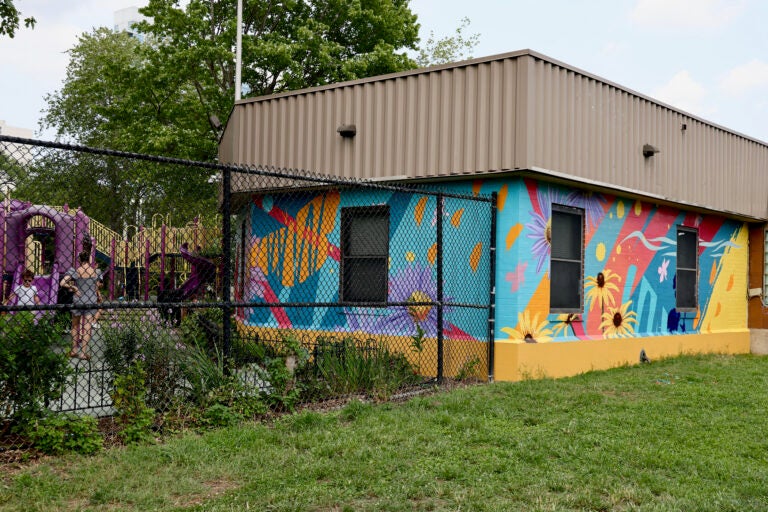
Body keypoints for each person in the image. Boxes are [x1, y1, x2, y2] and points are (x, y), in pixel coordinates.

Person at [60, 251, 102, 360]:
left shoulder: (75, 271)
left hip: (78, 300)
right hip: (90, 301)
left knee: (75, 325)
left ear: (79, 260)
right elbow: (97, 286)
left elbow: (62, 283)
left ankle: (74, 350)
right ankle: (83, 353)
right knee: (87, 326)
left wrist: (73, 287)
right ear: (89, 259)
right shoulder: (96, 272)